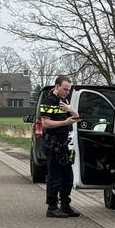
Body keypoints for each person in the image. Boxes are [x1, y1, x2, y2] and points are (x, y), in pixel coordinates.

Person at [39, 75, 82, 218]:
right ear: (57, 86)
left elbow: (76, 118)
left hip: (64, 144)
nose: (67, 92)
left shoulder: (65, 101)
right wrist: (65, 122)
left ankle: (65, 205)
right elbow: (45, 123)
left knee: (68, 176)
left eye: (68, 90)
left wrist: (70, 110)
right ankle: (52, 207)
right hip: (53, 144)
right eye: (65, 89)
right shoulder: (48, 101)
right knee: (54, 176)